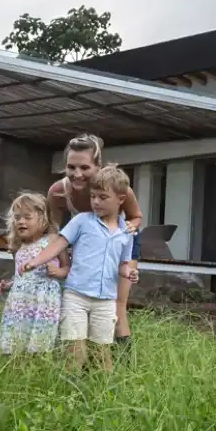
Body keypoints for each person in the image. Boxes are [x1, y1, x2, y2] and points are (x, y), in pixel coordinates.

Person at [20, 165, 140, 371]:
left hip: (105, 301)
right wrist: (36, 261)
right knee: (75, 353)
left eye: (103, 197)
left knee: (102, 355)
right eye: (93, 196)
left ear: (120, 199)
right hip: (76, 296)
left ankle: (103, 396)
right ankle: (69, 395)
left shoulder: (126, 232)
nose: (95, 202)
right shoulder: (82, 221)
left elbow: (122, 265)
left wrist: (129, 272)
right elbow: (59, 243)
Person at [47, 134, 143, 351]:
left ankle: (124, 363)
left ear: (98, 166)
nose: (77, 174)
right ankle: (83, 356)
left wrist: (129, 229)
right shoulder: (58, 191)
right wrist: (65, 261)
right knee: (79, 299)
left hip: (119, 242)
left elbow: (136, 216)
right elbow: (53, 230)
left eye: (84, 167)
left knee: (116, 305)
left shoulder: (119, 189)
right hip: (87, 242)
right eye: (71, 167)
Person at [0, 192, 68, 358]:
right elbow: (21, 276)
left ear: (43, 218)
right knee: (17, 342)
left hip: (43, 301)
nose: (21, 221)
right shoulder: (19, 247)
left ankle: (38, 370)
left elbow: (68, 268)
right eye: (17, 218)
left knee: (39, 344)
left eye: (27, 217)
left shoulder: (52, 240)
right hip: (20, 303)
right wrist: (7, 285)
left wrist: (58, 272)